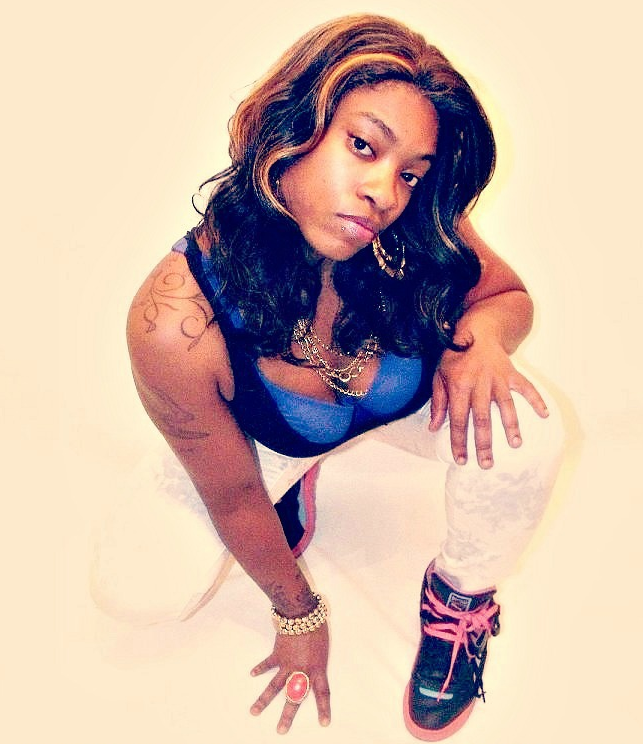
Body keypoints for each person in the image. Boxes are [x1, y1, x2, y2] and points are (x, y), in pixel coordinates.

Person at [91, 13, 564, 741]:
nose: (385, 191)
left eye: (410, 172)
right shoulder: (176, 323)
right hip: (265, 439)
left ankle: (458, 603)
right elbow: (234, 496)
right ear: (290, 124)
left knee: (528, 430)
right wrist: (298, 615)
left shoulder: (409, 223)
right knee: (134, 588)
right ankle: (296, 479)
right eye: (363, 145)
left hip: (402, 402)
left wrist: (483, 344)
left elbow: (506, 296)